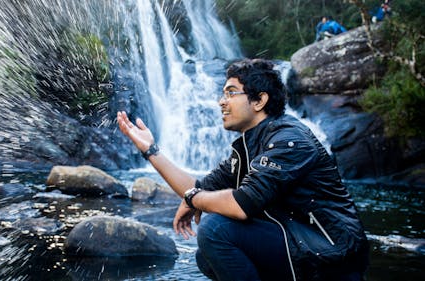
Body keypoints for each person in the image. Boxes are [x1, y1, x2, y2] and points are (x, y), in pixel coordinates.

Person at [117, 58, 369, 281]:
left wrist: (194, 199)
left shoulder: (289, 139)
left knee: (215, 229)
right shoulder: (249, 147)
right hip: (298, 242)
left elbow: (241, 204)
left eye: (230, 93)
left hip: (331, 253)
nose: (221, 102)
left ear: (259, 100)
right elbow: (197, 186)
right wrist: (151, 151)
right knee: (206, 256)